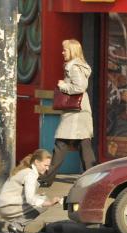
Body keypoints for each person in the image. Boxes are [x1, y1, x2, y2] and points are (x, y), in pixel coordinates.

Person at [39, 39, 96, 187]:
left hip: (75, 113)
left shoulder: (74, 67)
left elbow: (80, 87)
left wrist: (63, 86)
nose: (62, 52)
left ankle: (47, 178)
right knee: (83, 145)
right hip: (79, 112)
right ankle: (92, 178)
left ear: (72, 51)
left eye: (65, 50)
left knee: (61, 144)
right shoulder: (78, 66)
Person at [0, 149, 62, 233]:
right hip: (7, 207)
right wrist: (49, 203)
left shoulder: (26, 170)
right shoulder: (30, 174)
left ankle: (17, 224)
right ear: (37, 162)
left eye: (48, 166)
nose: (47, 168)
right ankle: (17, 225)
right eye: (45, 165)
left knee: (41, 199)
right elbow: (30, 199)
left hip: (4, 205)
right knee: (44, 201)